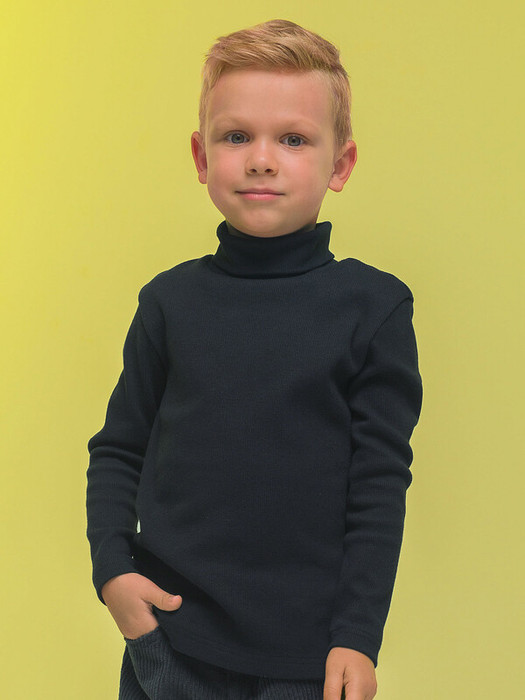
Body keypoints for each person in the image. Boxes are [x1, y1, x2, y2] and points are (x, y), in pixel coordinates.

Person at [86, 18, 423, 700]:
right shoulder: (168, 302)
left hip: (308, 658)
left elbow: (378, 487)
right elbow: (119, 448)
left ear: (340, 165)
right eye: (236, 136)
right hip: (172, 641)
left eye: (293, 139)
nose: (261, 160)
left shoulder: (374, 308)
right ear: (200, 155)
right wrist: (113, 572)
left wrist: (358, 636)